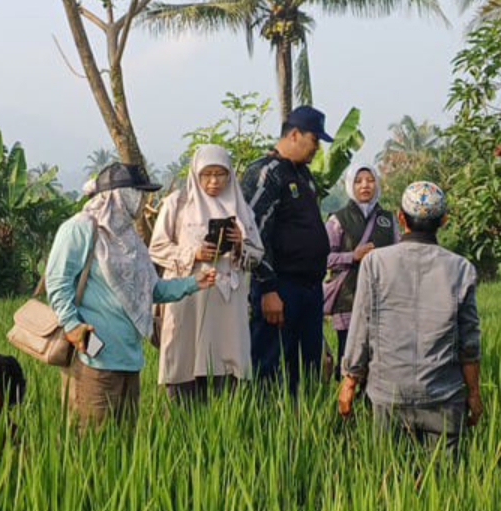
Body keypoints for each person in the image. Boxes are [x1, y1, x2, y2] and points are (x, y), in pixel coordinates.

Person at [45, 162, 217, 431]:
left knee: (124, 441)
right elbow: (57, 281)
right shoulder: (81, 228)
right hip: (93, 357)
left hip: (129, 358)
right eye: (138, 192)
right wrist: (71, 325)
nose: (142, 200)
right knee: (90, 439)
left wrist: (193, 283)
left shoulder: (130, 240)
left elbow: (150, 291)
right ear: (119, 194)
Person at [338, 182, 484, 455]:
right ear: (444, 220)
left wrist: (350, 381)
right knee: (444, 479)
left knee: (387, 475)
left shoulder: (375, 263)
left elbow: (360, 328)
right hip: (443, 394)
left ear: (401, 218)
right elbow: (469, 342)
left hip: (388, 392)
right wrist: (474, 393)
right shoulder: (460, 268)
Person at [150, 145, 264, 400]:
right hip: (189, 300)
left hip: (228, 305)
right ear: (196, 174)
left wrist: (239, 245)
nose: (214, 181)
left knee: (227, 366)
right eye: (207, 174)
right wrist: (194, 254)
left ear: (229, 175)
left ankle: (226, 417)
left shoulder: (241, 209)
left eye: (220, 174)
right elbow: (157, 248)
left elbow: (257, 254)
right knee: (184, 360)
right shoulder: (178, 204)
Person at [240, 106, 333, 394]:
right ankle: (263, 420)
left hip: (310, 287)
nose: (316, 148)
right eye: (314, 140)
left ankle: (302, 421)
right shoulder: (265, 172)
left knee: (306, 370)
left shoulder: (304, 176)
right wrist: (267, 288)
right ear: (294, 135)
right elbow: (254, 234)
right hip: (280, 287)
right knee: (268, 365)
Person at [324, 166, 399, 377]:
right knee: (348, 356)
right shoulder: (338, 220)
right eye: (358, 181)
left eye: (370, 180)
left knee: (379, 359)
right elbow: (323, 258)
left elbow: (399, 254)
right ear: (350, 186)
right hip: (348, 298)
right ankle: (343, 396)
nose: (365, 185)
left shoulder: (388, 220)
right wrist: (352, 256)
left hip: (383, 299)